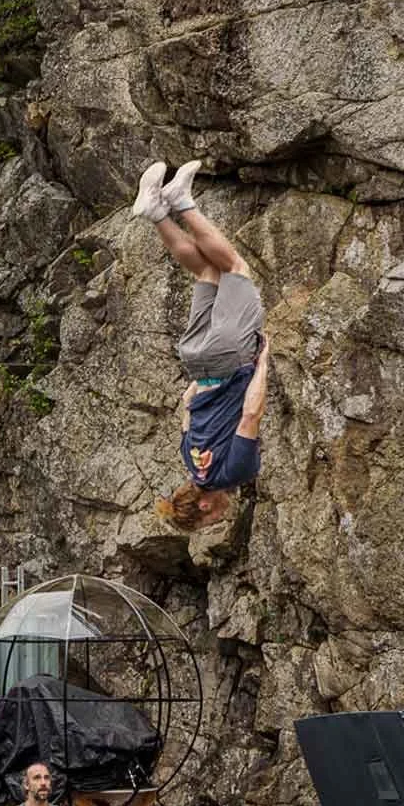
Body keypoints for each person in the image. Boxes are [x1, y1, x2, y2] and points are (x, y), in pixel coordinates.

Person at [132, 159, 273, 531]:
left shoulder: (232, 474)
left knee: (235, 268)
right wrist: (202, 380)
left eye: (215, 518)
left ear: (206, 505)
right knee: (206, 272)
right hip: (196, 363)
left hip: (231, 360)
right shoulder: (190, 461)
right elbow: (186, 408)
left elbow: (250, 415)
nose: (224, 515)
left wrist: (262, 364)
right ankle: (157, 212)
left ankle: (181, 202)